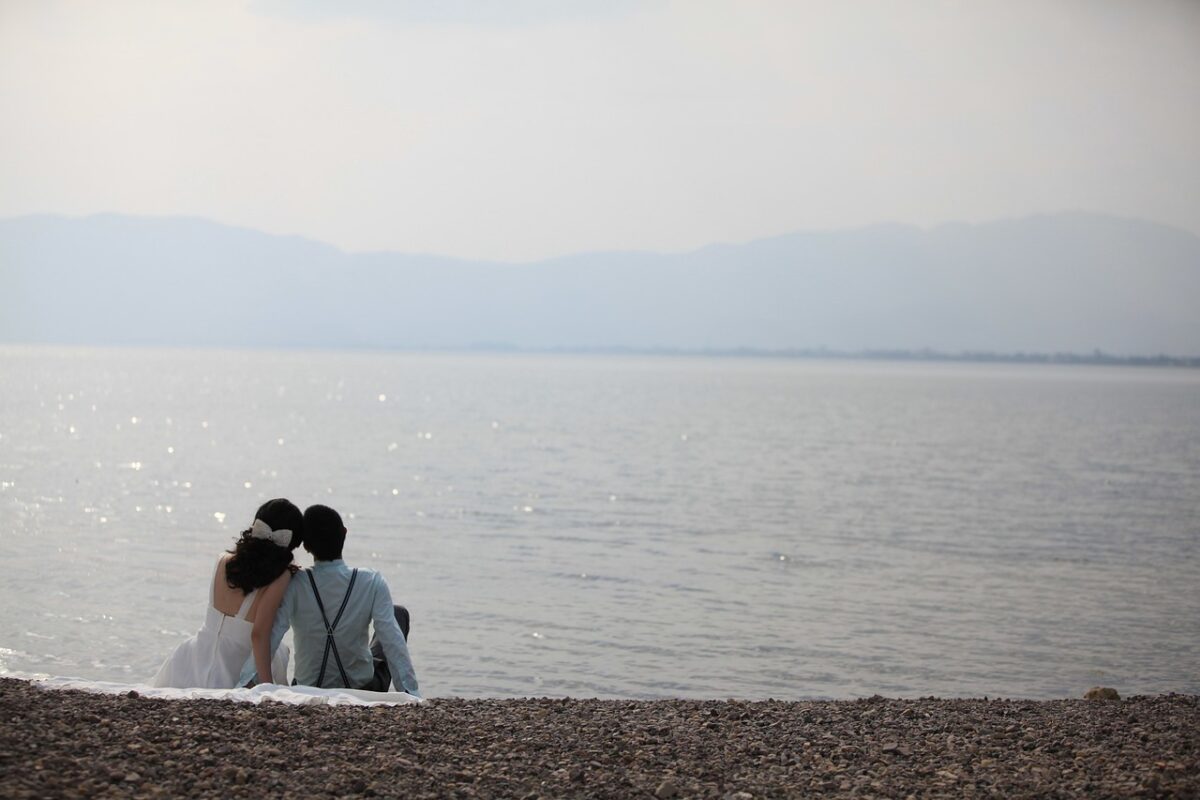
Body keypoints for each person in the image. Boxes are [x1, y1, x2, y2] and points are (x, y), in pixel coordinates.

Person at [239, 504, 419, 696]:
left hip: (307, 688)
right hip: (362, 688)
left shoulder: (294, 583)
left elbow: (272, 636)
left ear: (306, 546)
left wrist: (247, 682)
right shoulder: (371, 581)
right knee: (398, 613)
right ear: (344, 533)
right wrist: (411, 694)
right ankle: (406, 689)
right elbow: (392, 641)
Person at [150, 498, 302, 688]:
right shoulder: (281, 576)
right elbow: (259, 634)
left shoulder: (223, 559)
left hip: (191, 659)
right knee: (279, 650)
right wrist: (267, 687)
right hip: (234, 666)